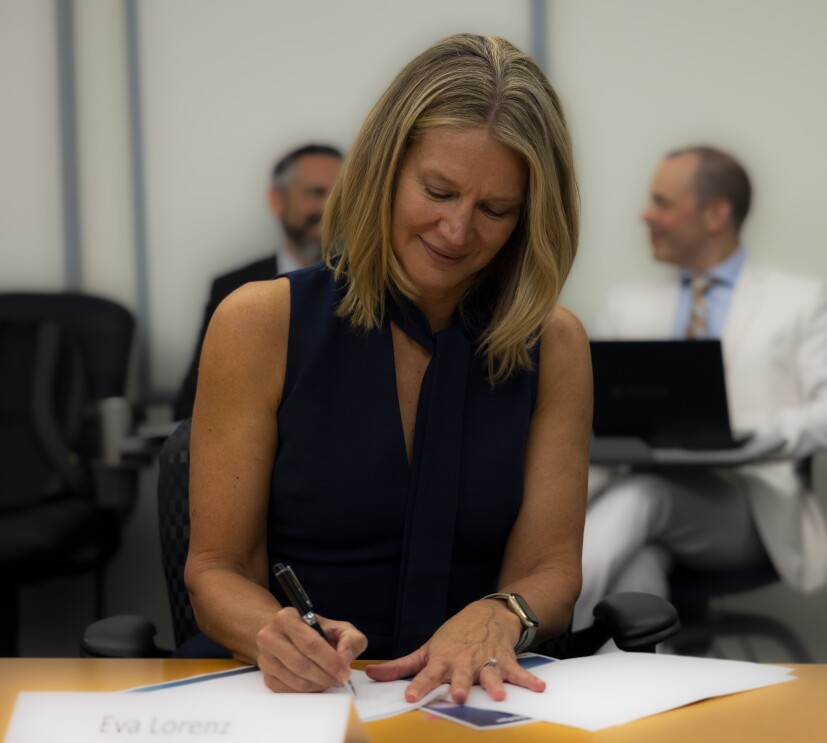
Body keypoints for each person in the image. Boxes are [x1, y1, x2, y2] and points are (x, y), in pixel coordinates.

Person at [182, 34, 589, 706]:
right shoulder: (259, 322)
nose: (457, 231)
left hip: (479, 693)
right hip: (296, 696)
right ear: (383, 170)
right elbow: (214, 571)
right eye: (438, 190)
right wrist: (273, 630)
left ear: (531, 219)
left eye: (495, 210)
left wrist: (502, 611)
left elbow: (551, 569)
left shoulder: (556, 344)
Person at [573, 146, 827, 631]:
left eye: (662, 202)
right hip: (638, 505)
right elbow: (594, 412)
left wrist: (747, 431)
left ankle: (538, 635)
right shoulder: (627, 305)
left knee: (643, 496)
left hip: (744, 508)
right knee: (636, 567)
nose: (646, 215)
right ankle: (642, 690)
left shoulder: (798, 302)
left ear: (717, 214)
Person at [173, 143, 343, 421]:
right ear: (277, 200)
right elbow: (191, 406)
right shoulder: (232, 288)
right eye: (316, 192)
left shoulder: (369, 284)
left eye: (340, 194)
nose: (329, 206)